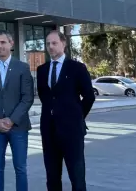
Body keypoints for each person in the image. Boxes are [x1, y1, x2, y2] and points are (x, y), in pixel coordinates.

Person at [37, 30, 95, 191]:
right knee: (52, 177)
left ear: (64, 44)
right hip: (49, 132)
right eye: (48, 44)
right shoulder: (42, 70)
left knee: (77, 177)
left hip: (72, 132)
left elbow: (89, 96)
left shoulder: (77, 68)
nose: (50, 47)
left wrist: (76, 117)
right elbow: (45, 97)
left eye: (54, 43)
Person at [0, 30, 34, 191]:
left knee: (21, 169)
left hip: (18, 127)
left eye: (3, 42)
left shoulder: (22, 68)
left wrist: (11, 120)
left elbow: (27, 98)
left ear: (11, 44)